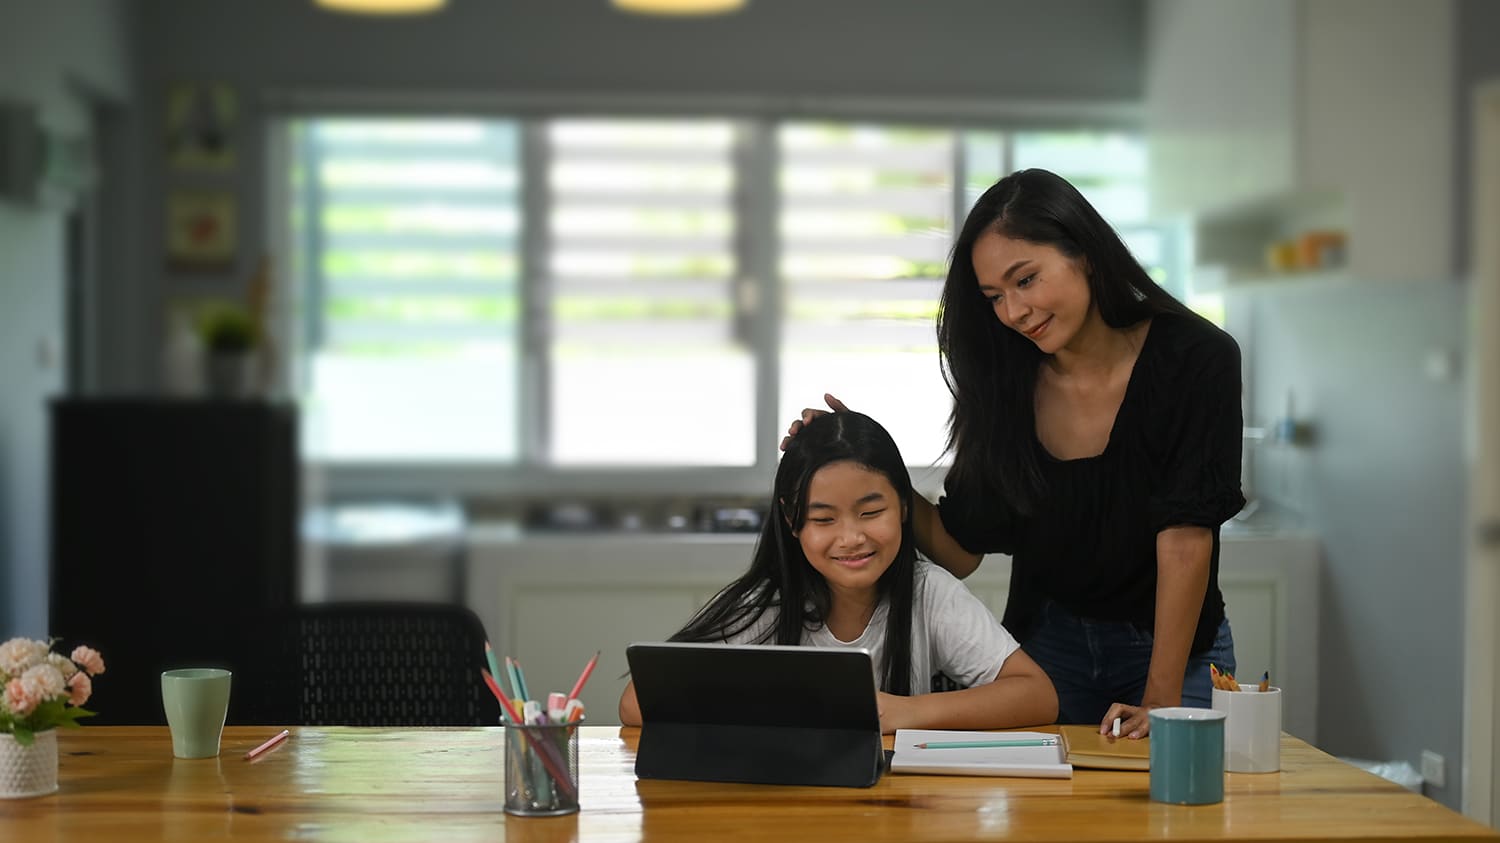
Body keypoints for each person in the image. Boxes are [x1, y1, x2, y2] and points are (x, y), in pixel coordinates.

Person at [782, 169, 1244, 738]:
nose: (1013, 312)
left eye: (1025, 280)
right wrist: (874, 470)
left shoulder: (1196, 358)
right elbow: (960, 552)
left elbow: (1184, 541)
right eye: (995, 297)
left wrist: (1159, 699)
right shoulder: (1007, 380)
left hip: (1175, 656)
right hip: (1050, 652)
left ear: (1086, 253)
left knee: (1178, 815)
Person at [619, 410, 1058, 734]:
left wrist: (908, 712)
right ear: (792, 522)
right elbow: (637, 702)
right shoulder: (768, 603)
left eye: (871, 512)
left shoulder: (929, 593)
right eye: (824, 520)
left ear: (904, 506)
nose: (850, 538)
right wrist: (780, 710)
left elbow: (1037, 695)